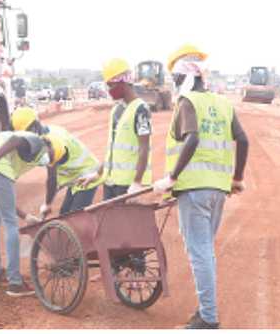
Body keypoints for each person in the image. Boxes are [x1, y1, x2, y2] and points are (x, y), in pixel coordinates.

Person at [153, 44, 250, 329]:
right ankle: (205, 310)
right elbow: (243, 140)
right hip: (218, 190)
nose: (172, 85)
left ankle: (208, 318)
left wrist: (171, 177)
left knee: (200, 253)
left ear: (183, 76)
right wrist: (237, 179)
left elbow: (193, 139)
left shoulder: (188, 102)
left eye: (174, 79)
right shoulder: (222, 103)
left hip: (194, 190)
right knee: (205, 250)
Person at [0, 106, 57, 297]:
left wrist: (26, 216)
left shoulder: (6, 140)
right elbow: (16, 140)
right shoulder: (34, 139)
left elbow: (3, 201)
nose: (50, 155)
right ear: (34, 126)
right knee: (10, 224)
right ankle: (15, 283)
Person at [29, 109, 104, 217]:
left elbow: (52, 178)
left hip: (87, 176)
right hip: (75, 178)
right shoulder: (46, 135)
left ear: (34, 127)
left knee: (75, 217)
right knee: (64, 214)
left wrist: (47, 204)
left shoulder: (53, 142)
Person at [101, 57, 153, 200]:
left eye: (111, 85)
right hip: (110, 182)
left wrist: (137, 182)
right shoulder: (116, 110)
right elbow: (112, 150)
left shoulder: (141, 109)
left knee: (125, 222)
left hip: (127, 185)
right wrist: (98, 173)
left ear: (123, 83)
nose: (110, 90)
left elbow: (144, 147)